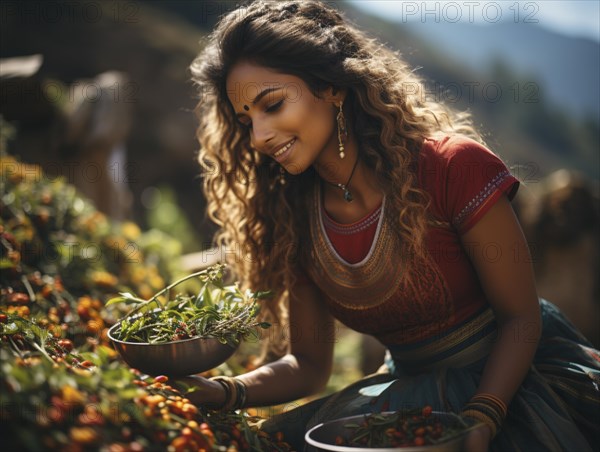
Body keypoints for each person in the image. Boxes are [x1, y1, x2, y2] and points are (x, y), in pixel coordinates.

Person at [179, 1, 600, 450]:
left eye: (273, 105)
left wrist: (483, 415)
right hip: (406, 397)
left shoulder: (451, 168)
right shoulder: (292, 220)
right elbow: (307, 364)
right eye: (246, 121)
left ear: (333, 89)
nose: (259, 136)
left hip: (518, 386)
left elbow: (521, 319)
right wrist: (225, 391)